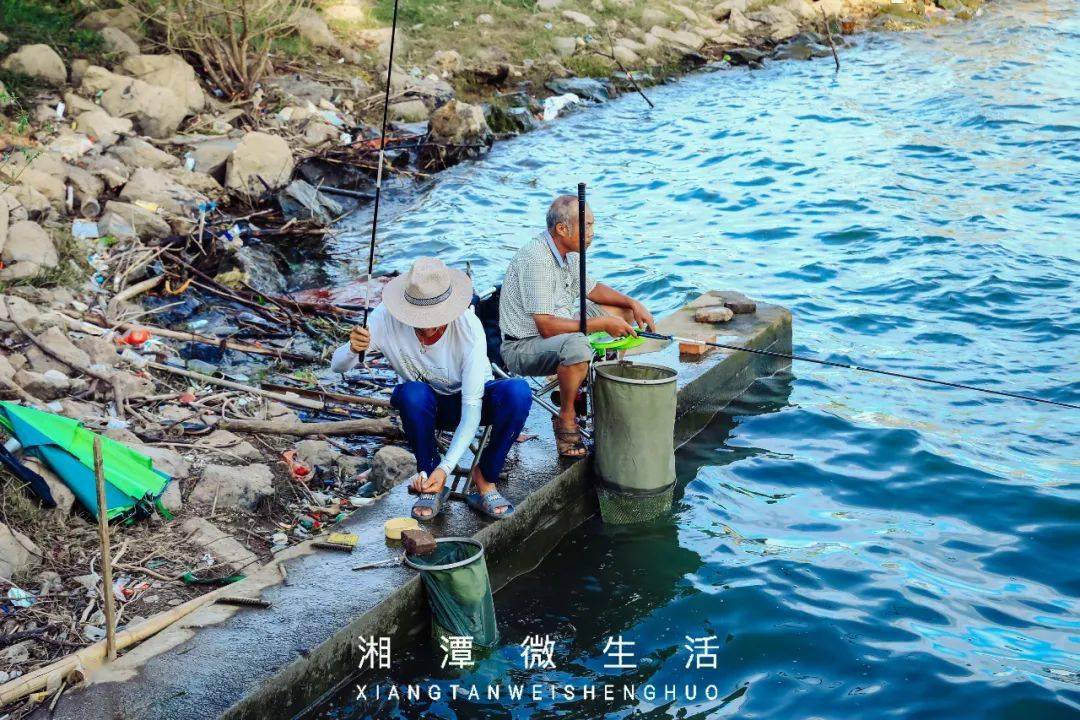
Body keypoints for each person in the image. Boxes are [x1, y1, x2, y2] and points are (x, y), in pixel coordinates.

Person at [331, 257, 531, 521]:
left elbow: (472, 411)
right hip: (425, 408)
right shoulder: (383, 318)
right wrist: (353, 348)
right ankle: (428, 474)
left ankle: (485, 477)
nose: (426, 329)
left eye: (435, 320)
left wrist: (447, 468)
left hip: (473, 402)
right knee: (412, 393)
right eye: (418, 319)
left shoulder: (468, 328)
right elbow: (339, 366)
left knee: (518, 392)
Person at [499, 195, 655, 459]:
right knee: (578, 344)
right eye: (587, 226)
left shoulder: (569, 253)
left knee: (621, 312)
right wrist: (602, 323)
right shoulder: (537, 259)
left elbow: (591, 289)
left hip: (559, 333)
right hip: (524, 345)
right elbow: (547, 327)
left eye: (593, 225)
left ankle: (596, 389)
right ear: (562, 229)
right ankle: (567, 417)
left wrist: (632, 303)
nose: (593, 233)